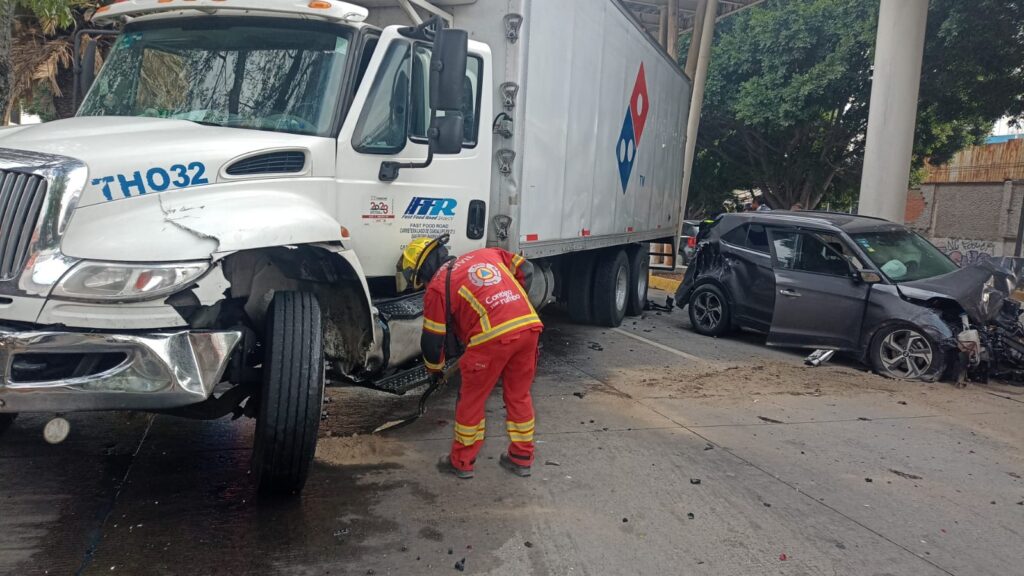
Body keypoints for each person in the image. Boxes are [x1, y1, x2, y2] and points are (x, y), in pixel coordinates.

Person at [397, 236, 544, 480]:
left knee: (471, 400)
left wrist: (435, 371)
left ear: (422, 271)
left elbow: (433, 341)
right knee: (519, 395)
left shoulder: (437, 286)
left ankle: (461, 462)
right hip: (528, 327)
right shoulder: (487, 254)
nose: (423, 285)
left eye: (419, 280)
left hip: (490, 338)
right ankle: (521, 458)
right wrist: (512, 304)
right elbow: (527, 270)